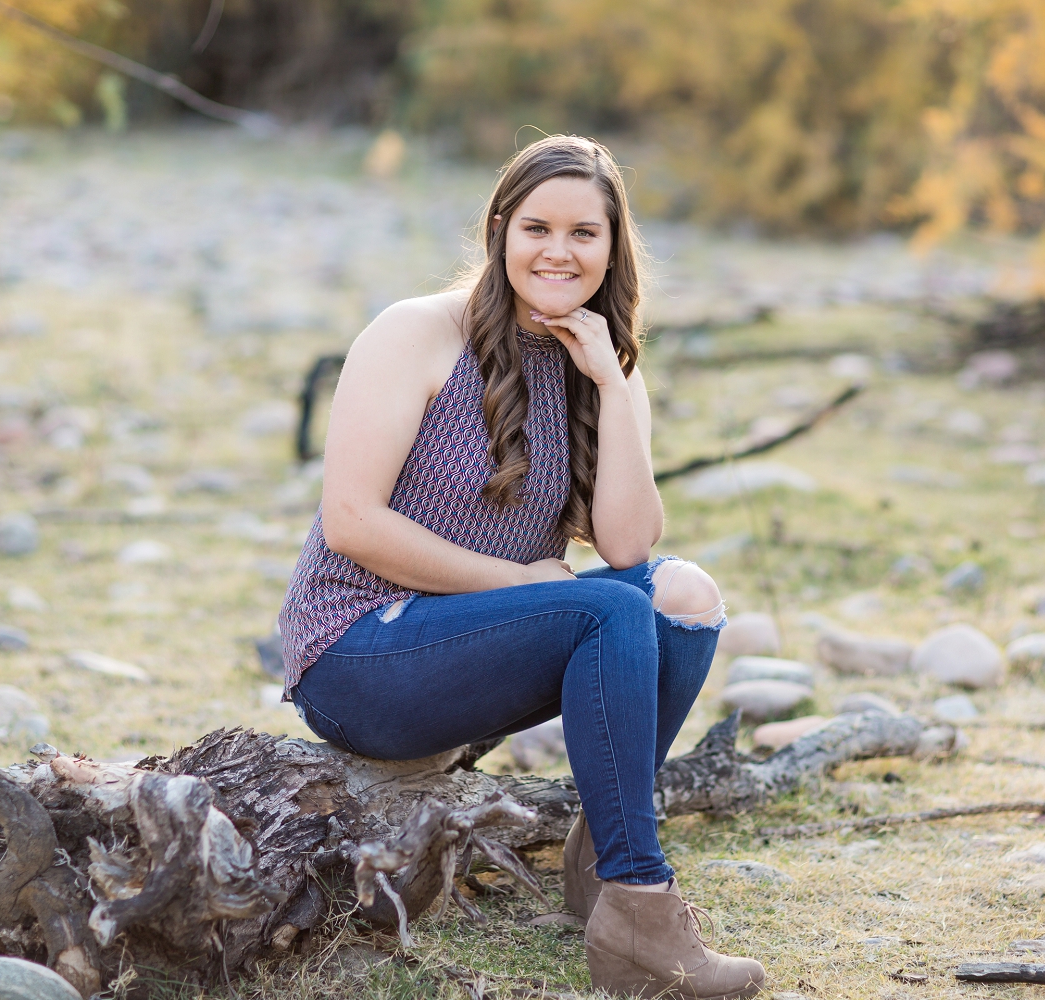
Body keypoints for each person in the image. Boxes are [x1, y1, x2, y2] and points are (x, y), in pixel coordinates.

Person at [278, 134, 766, 1000]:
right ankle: (645, 906)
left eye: (585, 232)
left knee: (683, 596)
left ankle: (602, 867)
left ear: (613, 245)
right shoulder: (417, 333)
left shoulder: (599, 357)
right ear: (500, 230)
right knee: (608, 611)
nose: (558, 251)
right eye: (537, 227)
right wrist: (518, 581)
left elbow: (625, 547)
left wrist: (612, 388)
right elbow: (352, 524)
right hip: (360, 655)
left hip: (473, 642)